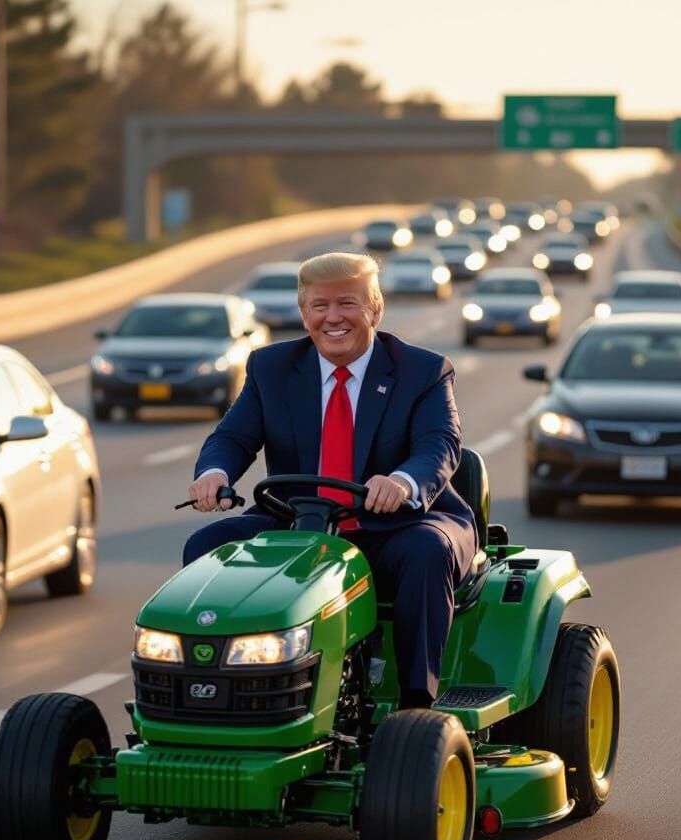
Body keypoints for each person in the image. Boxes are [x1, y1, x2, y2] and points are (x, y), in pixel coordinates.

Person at [182, 252, 476, 710]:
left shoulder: (424, 371)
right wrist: (214, 473)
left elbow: (439, 445)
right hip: (298, 525)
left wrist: (402, 482)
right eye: (320, 306)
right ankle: (216, 691)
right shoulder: (270, 367)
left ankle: (417, 704)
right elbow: (233, 437)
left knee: (428, 551)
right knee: (207, 546)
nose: (333, 318)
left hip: (398, 525)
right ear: (305, 314)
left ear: (375, 310)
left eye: (347, 304)